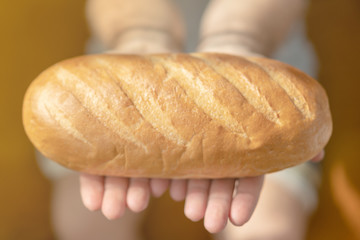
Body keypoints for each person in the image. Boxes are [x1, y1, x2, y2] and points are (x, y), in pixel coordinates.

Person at [38, 0, 325, 239]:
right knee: (86, 224)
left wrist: (240, 34)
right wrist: (139, 32)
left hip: (263, 79)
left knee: (271, 226)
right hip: (119, 75)